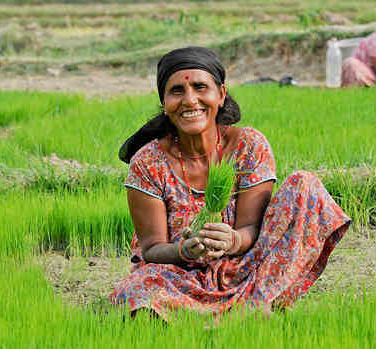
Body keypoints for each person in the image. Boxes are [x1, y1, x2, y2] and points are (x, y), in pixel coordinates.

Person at [111, 46, 351, 320]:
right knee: (136, 289)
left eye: (201, 87)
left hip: (246, 268)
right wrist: (184, 250)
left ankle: (256, 299)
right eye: (177, 91)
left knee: (304, 184)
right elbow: (152, 250)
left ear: (221, 95)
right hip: (181, 275)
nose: (190, 100)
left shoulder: (249, 146)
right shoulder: (148, 162)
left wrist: (233, 240)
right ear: (164, 103)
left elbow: (253, 229)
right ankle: (247, 308)